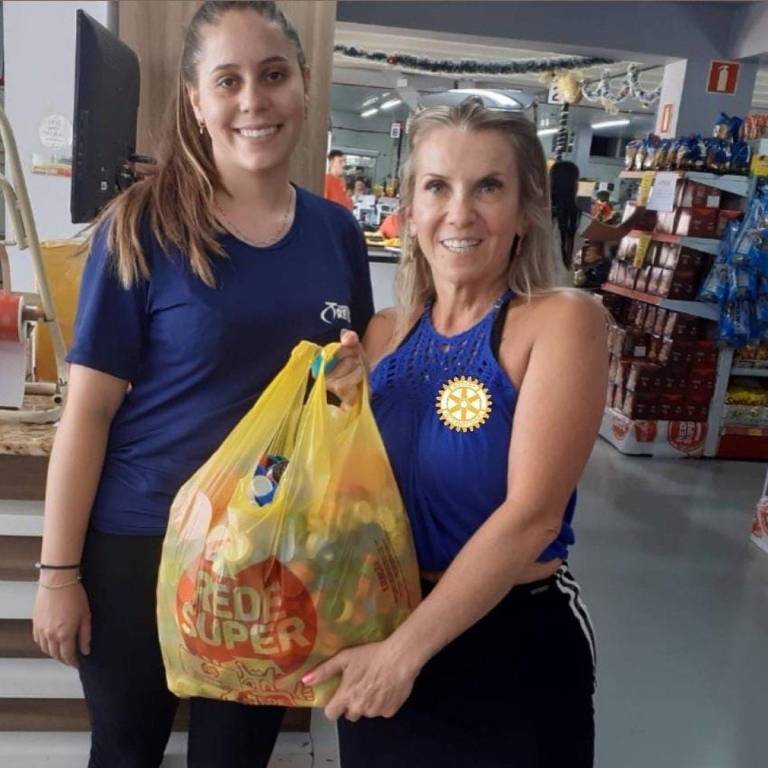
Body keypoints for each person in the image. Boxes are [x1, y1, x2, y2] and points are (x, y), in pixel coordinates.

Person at [31, 3, 372, 767]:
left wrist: (352, 384)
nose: (253, 100)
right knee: (125, 754)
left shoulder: (337, 234)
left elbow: (342, 396)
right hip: (139, 547)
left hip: (271, 556)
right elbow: (87, 413)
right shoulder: (142, 225)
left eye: (273, 75)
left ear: (304, 84)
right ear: (195, 100)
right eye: (228, 81)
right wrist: (57, 575)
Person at [304, 100, 606, 767]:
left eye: (488, 187)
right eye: (437, 187)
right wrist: (333, 410)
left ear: (525, 211)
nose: (460, 213)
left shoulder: (562, 322)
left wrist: (401, 655)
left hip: (511, 650)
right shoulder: (383, 334)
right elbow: (352, 500)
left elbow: (532, 516)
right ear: (410, 211)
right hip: (381, 622)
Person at [550, 160, 647, 287]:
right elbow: (617, 233)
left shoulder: (537, 213)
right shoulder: (576, 219)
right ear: (575, 186)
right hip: (558, 285)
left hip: (532, 284)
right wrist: (639, 211)